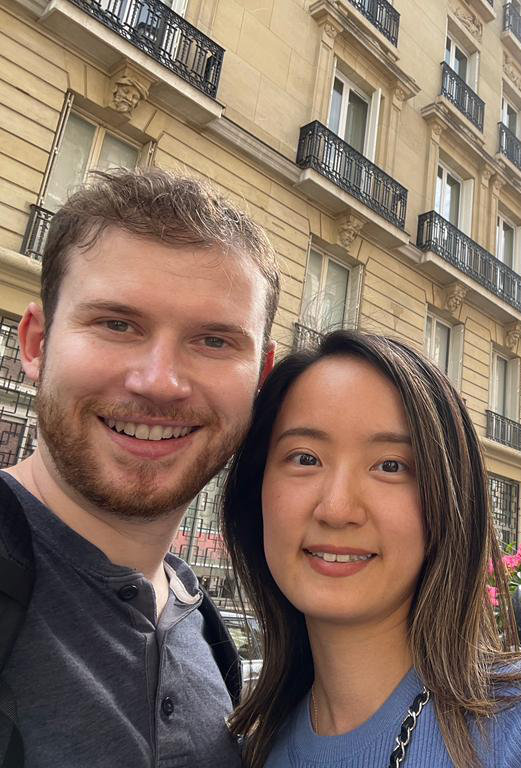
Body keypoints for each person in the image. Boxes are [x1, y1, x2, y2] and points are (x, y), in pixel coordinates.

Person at [222, 330, 521, 768]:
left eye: (390, 466)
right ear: (258, 492)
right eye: (305, 458)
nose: (337, 508)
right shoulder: (257, 747)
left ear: (448, 501)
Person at [0, 169, 280, 767]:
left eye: (213, 341)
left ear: (260, 377)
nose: (159, 382)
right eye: (117, 324)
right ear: (36, 344)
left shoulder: (202, 630)